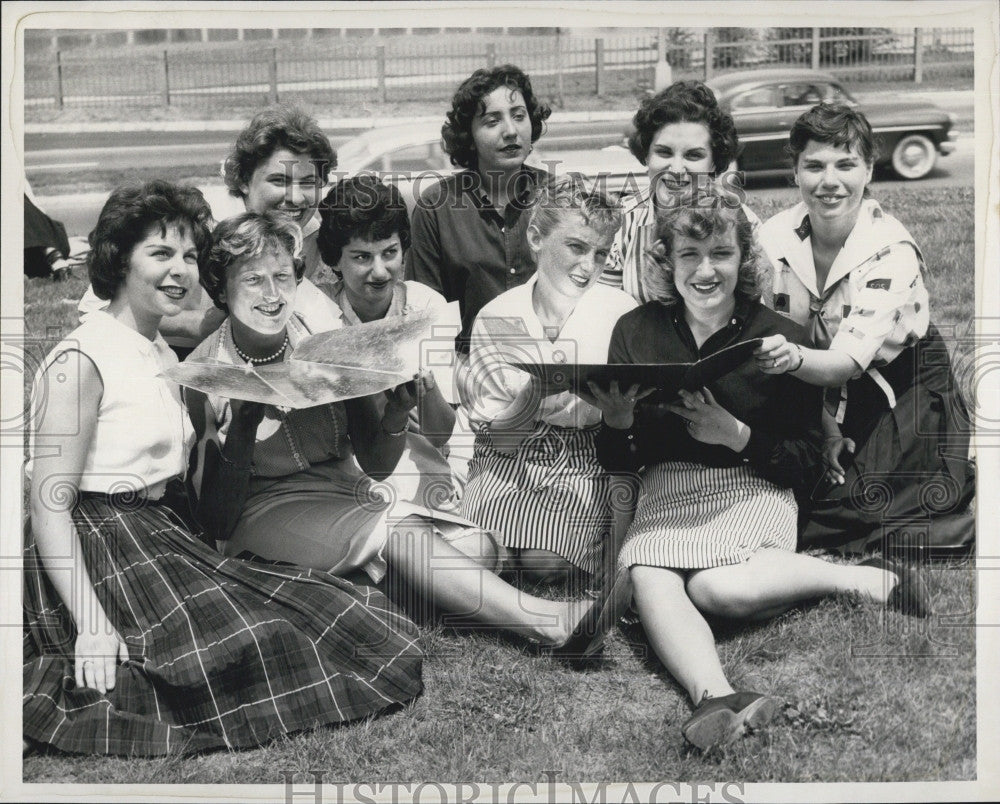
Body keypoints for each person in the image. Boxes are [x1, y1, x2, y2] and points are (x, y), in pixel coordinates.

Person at [23, 181, 423, 757]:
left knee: (325, 615)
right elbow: (48, 502)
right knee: (253, 642)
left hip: (158, 533)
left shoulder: (163, 353)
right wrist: (89, 623)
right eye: (160, 254)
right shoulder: (82, 357)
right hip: (96, 544)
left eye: (189, 255)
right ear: (117, 260)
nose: (180, 271)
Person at [187, 211, 616, 656]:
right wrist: (242, 429)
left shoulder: (324, 342)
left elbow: (376, 462)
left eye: (282, 276)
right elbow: (215, 520)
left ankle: (329, 594)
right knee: (403, 533)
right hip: (263, 507)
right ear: (220, 288)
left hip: (344, 489)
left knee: (479, 548)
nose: (273, 294)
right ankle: (548, 623)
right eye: (253, 280)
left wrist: (396, 410)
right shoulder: (204, 375)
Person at [590, 193, 930, 751]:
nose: (705, 270)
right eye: (689, 255)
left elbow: (804, 462)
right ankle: (716, 697)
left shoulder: (777, 336)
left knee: (718, 589)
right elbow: (623, 458)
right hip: (668, 486)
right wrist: (619, 422)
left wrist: (737, 435)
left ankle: (862, 577)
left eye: (721, 253)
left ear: (744, 260)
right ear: (666, 263)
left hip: (753, 485)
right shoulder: (636, 329)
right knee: (650, 572)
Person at [754, 103, 975, 553]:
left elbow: (842, 364)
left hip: (902, 380)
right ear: (794, 172)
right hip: (808, 385)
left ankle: (961, 501)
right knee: (798, 492)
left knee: (853, 505)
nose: (829, 181)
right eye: (813, 165)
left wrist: (793, 361)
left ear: (869, 168)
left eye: (846, 164)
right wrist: (824, 428)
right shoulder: (771, 240)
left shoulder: (891, 248)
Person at [461, 180, 638, 583]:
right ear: (536, 238)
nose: (589, 266)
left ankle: (531, 556)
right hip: (509, 453)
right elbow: (501, 438)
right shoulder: (497, 316)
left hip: (585, 453)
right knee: (475, 553)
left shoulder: (621, 313)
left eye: (602, 253)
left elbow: (628, 429)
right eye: (576, 247)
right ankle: (497, 553)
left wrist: (617, 410)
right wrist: (536, 391)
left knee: (546, 564)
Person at [315, 174, 496, 567]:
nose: (379, 271)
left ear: (404, 249)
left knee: (474, 550)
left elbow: (442, 431)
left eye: (390, 252)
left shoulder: (425, 305)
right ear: (334, 260)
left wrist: (425, 387)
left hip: (425, 455)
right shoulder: (319, 316)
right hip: (351, 464)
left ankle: (407, 572)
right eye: (361, 257)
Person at [77, 104, 339, 355]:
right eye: (278, 180)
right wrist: (195, 324)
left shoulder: (308, 231)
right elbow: (95, 305)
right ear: (245, 180)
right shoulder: (199, 222)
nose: (296, 197)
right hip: (173, 354)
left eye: (308, 182)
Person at [405, 64, 553, 356]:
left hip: (555, 371)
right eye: (492, 121)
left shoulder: (561, 197)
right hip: (469, 376)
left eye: (519, 116)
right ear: (468, 136)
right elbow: (426, 319)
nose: (511, 131)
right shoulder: (435, 209)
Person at [598, 80, 763, 304]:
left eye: (693, 155)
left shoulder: (744, 223)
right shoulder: (620, 224)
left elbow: (758, 309)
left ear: (714, 163)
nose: (676, 169)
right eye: (664, 153)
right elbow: (604, 311)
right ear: (646, 155)